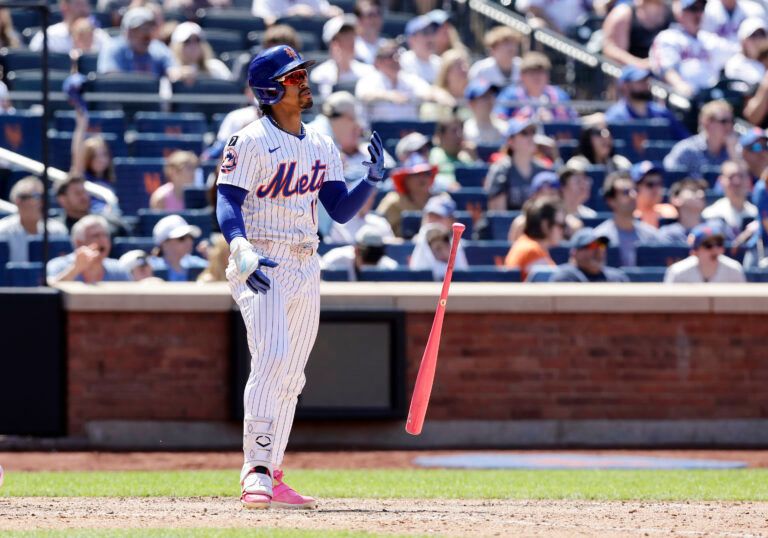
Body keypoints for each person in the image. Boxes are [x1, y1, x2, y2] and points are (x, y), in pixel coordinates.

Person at [215, 45, 389, 509]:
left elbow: (340, 210)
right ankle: (254, 467)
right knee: (271, 358)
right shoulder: (249, 140)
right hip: (261, 258)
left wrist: (370, 181)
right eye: (294, 77)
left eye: (301, 74)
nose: (304, 82)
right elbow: (227, 200)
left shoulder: (321, 143)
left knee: (292, 374)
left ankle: (273, 470)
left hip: (305, 260)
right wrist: (240, 246)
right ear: (271, 90)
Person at [355, 39, 453, 123]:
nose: (395, 59)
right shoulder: (369, 80)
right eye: (389, 56)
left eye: (397, 55)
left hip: (409, 133)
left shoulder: (408, 79)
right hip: (378, 136)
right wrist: (389, 96)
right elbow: (364, 95)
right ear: (378, 61)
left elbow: (428, 91)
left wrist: (442, 97)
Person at [649, 0, 729, 97]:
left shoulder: (709, 39)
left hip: (711, 95)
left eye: (701, 9)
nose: (698, 14)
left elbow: (735, 55)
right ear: (680, 13)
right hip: (682, 98)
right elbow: (665, 70)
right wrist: (680, 85)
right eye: (693, 9)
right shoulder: (668, 37)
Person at [604, 66, 690, 140]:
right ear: (625, 86)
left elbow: (685, 141)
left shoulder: (663, 114)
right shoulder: (615, 116)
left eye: (646, 80)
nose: (646, 84)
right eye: (640, 81)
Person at [594, 171, 661, 266]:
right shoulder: (600, 237)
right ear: (611, 201)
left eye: (635, 191)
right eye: (625, 192)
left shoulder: (652, 236)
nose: (633, 196)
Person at [486, 117, 550, 211]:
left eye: (533, 132)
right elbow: (498, 215)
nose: (530, 137)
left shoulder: (542, 170)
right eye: (524, 133)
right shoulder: (500, 170)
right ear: (511, 141)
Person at [0, 177, 69, 263]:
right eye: (37, 197)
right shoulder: (3, 232)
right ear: (19, 201)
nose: (42, 202)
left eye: (44, 196)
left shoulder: (58, 230)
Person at [663, 100, 738, 177]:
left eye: (731, 121)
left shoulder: (734, 151)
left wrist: (734, 154)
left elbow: (744, 181)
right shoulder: (687, 149)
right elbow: (670, 175)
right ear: (707, 122)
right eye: (724, 121)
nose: (729, 126)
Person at [494, 52, 578, 122]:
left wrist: (552, 121)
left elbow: (573, 121)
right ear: (522, 76)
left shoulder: (559, 95)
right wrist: (524, 121)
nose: (536, 77)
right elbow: (498, 119)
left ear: (547, 75)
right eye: (531, 73)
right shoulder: (510, 94)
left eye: (541, 72)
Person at [47, 215, 131, 284]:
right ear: (79, 242)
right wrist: (75, 269)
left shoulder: (118, 269)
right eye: (96, 236)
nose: (103, 240)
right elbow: (50, 293)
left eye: (105, 235)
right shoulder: (58, 265)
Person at [97, 6, 176, 77]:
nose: (147, 34)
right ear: (127, 33)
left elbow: (173, 71)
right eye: (141, 29)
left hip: (153, 93)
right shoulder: (113, 48)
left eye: (149, 28)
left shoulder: (159, 49)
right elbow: (109, 79)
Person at [311, 15, 376, 99]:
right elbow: (328, 105)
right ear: (333, 43)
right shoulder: (320, 74)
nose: (351, 40)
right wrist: (338, 67)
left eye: (352, 35)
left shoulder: (368, 71)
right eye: (344, 36)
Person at [504, 195, 564, 281]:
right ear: (545, 225)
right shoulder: (532, 251)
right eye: (560, 225)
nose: (563, 231)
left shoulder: (528, 245)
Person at [409, 195, 469, 279]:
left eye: (438, 217)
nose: (433, 221)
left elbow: (462, 279)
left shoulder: (461, 246)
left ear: (452, 220)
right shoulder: (414, 242)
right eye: (430, 216)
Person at [376, 153, 436, 236]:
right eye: (416, 175)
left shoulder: (441, 199)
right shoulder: (392, 201)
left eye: (426, 174)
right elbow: (378, 228)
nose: (422, 178)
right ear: (406, 180)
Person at [664, 222, 746, 282]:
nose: (715, 249)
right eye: (708, 245)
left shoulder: (734, 270)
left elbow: (742, 303)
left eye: (719, 244)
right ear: (695, 251)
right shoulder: (678, 272)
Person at [602, 0, 672, 69]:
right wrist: (639, 64)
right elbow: (610, 49)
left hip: (663, 73)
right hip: (630, 75)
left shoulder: (673, 12)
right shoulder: (623, 13)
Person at [54, 175, 128, 237]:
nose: (84, 197)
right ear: (63, 200)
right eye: (78, 193)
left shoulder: (111, 225)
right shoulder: (56, 231)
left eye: (84, 192)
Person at [550, 228, 630, 282]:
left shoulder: (618, 278)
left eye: (601, 245)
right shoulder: (566, 277)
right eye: (591, 246)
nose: (598, 250)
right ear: (575, 252)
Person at [320, 224, 398, 280]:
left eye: (375, 256)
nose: (369, 265)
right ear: (356, 251)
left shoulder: (388, 266)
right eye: (367, 256)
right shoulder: (335, 259)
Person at [30, 0, 110, 54]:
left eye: (86, 4)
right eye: (79, 4)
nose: (84, 10)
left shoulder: (101, 37)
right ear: (64, 7)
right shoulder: (47, 37)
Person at [702, 160, 757, 237]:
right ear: (721, 181)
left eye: (741, 176)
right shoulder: (711, 213)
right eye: (731, 177)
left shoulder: (756, 214)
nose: (737, 182)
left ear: (748, 180)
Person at [507, 170, 565, 243]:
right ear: (534, 195)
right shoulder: (521, 224)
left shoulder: (570, 224)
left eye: (553, 193)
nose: (549, 198)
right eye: (544, 193)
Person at [149, 214, 208, 281]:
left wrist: (213, 257)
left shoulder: (197, 263)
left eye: (190, 237)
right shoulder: (149, 267)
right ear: (164, 243)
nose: (189, 242)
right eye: (181, 238)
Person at [429, 117, 474, 192]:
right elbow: (430, 179)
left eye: (461, 131)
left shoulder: (466, 157)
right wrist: (447, 185)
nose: (459, 135)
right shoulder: (435, 154)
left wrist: (475, 158)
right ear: (441, 136)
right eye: (454, 131)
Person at [658, 177, 708, 244]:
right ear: (676, 199)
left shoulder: (714, 229)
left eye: (702, 191)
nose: (701, 194)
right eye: (693, 190)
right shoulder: (667, 233)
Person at [631, 161, 678, 227]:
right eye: (650, 184)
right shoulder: (628, 215)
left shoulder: (668, 211)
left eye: (660, 184)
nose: (656, 189)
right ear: (635, 188)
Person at [724, 18, 768, 85]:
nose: (758, 39)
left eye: (762, 34)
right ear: (743, 40)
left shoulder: (765, 61)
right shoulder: (735, 64)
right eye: (754, 35)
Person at [399, 15, 441, 84]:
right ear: (411, 39)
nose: (431, 37)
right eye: (425, 32)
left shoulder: (440, 63)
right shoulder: (402, 62)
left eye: (433, 32)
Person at [463, 79, 505, 147]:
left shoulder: (504, 127)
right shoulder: (465, 130)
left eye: (491, 95)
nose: (489, 100)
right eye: (484, 97)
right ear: (471, 103)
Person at [516, 0, 588, 33]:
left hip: (580, 30)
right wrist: (555, 28)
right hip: (550, 31)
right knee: (536, 25)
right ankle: (537, 62)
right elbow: (531, 7)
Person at [251, 0, 342, 26]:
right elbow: (267, 21)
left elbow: (327, 10)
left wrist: (333, 12)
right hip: (278, 44)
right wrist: (292, 13)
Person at [354, 0, 385, 64]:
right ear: (359, 19)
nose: (375, 19)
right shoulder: (350, 47)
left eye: (378, 14)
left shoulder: (387, 46)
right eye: (370, 15)